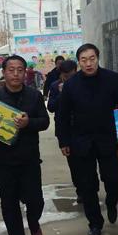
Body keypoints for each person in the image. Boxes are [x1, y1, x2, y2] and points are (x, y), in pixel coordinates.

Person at [0, 55, 50, 235]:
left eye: (20, 70)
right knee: (9, 206)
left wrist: (29, 123)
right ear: (4, 72)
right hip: (4, 162)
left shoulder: (34, 96)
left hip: (29, 160)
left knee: (35, 201)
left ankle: (34, 222)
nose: (16, 74)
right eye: (11, 70)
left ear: (25, 73)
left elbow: (45, 121)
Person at [57, 43, 118, 235]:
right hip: (81, 141)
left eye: (92, 59)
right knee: (87, 186)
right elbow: (62, 115)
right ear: (79, 62)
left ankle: (111, 204)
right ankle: (95, 223)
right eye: (84, 60)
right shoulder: (71, 84)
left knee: (112, 179)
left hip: (109, 139)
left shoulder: (112, 79)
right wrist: (63, 141)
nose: (88, 63)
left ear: (98, 58)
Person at [47, 58, 81, 201]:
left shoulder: (82, 84)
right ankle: (80, 190)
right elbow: (51, 107)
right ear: (61, 75)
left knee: (87, 162)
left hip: (83, 129)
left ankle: (90, 188)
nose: (69, 80)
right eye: (66, 77)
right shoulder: (55, 86)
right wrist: (62, 94)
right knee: (73, 164)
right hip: (66, 130)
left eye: (72, 76)